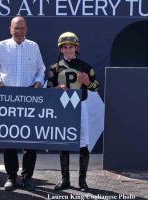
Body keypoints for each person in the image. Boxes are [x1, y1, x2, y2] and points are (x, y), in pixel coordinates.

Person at [0, 16, 45, 191]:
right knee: (10, 141)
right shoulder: (1, 46)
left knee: (30, 143)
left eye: (22, 28)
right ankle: (11, 177)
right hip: (8, 98)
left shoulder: (33, 46)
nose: (19, 31)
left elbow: (41, 69)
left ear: (26, 29)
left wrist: (38, 81)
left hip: (29, 98)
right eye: (16, 28)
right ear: (10, 29)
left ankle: (27, 178)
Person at [47, 32, 99, 192]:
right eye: (65, 47)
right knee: (64, 142)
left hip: (80, 106)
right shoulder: (54, 68)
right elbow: (48, 90)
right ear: (61, 49)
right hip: (63, 107)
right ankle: (65, 179)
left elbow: (95, 87)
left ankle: (82, 181)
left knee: (83, 143)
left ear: (77, 48)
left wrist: (87, 82)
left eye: (71, 47)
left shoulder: (85, 66)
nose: (68, 50)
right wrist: (56, 89)